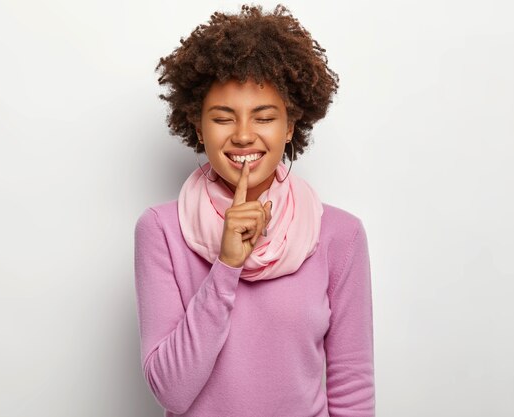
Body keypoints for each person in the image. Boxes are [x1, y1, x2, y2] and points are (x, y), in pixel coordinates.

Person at [134, 4, 375, 416]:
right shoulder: (160, 230)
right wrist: (226, 266)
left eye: (264, 117)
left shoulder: (340, 235)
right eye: (223, 118)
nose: (244, 136)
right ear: (197, 125)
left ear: (290, 126)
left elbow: (352, 385)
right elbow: (171, 391)